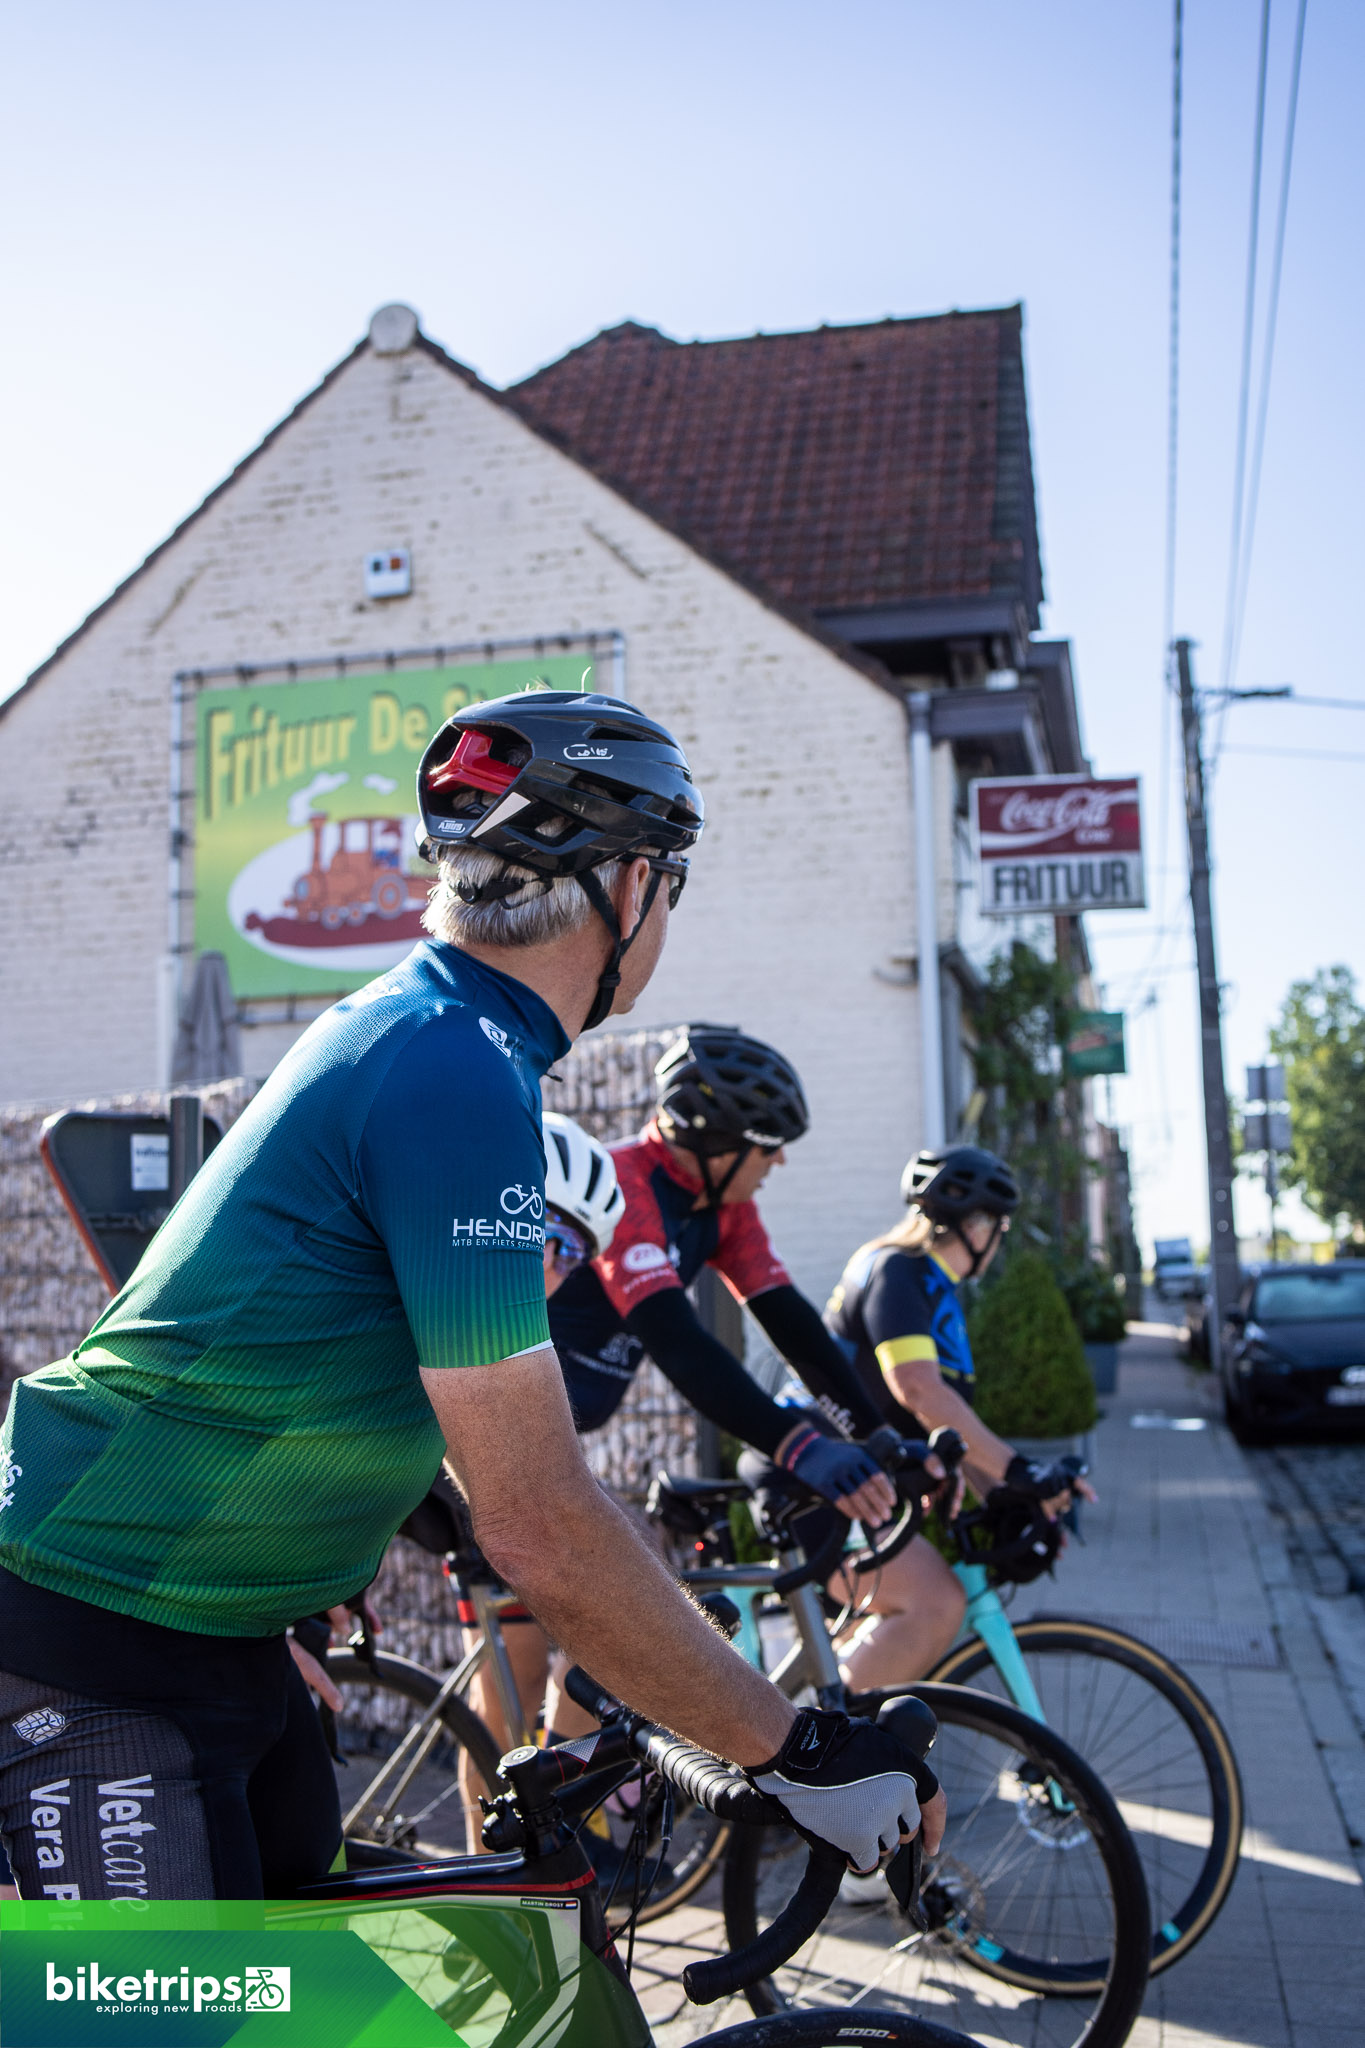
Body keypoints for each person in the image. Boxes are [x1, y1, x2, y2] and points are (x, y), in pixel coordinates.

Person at [0, 689, 941, 1902]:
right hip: (92, 1631)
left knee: (334, 2000)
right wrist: (794, 1747)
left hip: (223, 1630)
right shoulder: (451, 1064)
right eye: (674, 883)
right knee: (178, 2023)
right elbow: (540, 1520)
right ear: (632, 885)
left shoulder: (440, 1039)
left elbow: (322, 1354)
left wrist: (286, 1577)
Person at [821, 1145, 1097, 1694]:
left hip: (855, 1484)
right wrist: (1019, 1470)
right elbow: (919, 1389)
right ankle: (803, 1759)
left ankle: (810, 1730)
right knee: (936, 1603)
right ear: (977, 1224)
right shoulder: (900, 1272)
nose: (999, 1239)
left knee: (889, 1630)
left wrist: (1005, 1493)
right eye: (1001, 1225)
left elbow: (944, 1426)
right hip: (819, 1482)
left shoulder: (932, 1287)